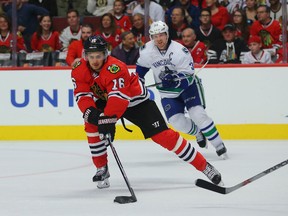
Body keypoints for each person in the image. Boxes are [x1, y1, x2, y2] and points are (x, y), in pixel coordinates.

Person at [71, 35, 223, 189]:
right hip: (106, 101)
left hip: (135, 101)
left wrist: (107, 120)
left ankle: (204, 166)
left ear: (105, 54)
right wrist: (92, 114)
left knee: (164, 136)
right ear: (85, 56)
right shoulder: (79, 70)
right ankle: (101, 168)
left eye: (98, 56)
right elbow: (82, 95)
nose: (95, 60)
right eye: (91, 56)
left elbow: (118, 99)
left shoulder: (116, 68)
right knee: (91, 125)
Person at [136, 21, 228, 159]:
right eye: (155, 36)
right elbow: (140, 70)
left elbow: (188, 77)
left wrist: (174, 78)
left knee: (198, 115)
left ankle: (219, 145)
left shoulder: (180, 51)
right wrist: (139, 83)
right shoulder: (146, 51)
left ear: (167, 35)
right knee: (176, 122)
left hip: (188, 88)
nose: (158, 39)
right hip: (167, 92)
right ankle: (198, 133)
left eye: (161, 35)